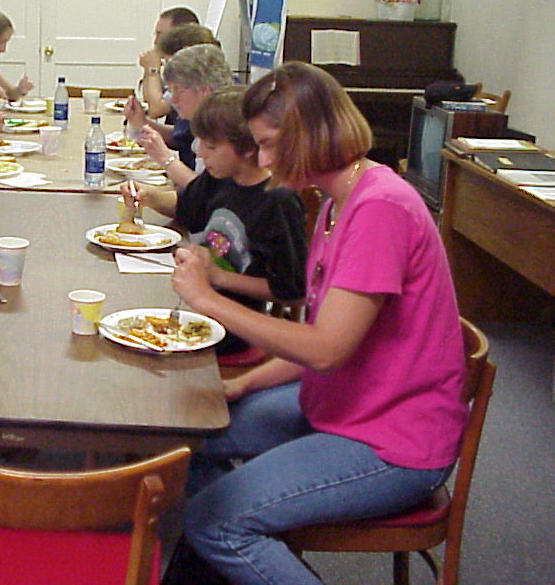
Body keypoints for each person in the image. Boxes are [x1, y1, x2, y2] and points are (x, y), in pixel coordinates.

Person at [167, 62, 466, 585]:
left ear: (309, 133)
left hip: (394, 440)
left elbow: (325, 349)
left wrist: (209, 299)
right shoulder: (336, 203)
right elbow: (320, 340)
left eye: (268, 145)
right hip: (342, 403)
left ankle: (230, 538)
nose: (262, 160)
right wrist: (246, 384)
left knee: (215, 523)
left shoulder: (381, 208)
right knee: (185, 442)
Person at [120, 88, 306, 357]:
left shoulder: (278, 201)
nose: (201, 154)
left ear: (248, 148)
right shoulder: (220, 177)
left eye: (211, 146)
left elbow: (294, 292)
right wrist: (148, 196)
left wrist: (218, 276)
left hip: (236, 328)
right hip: (195, 303)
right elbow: (185, 207)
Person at [124, 43, 232, 188]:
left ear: (204, 92)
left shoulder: (224, 128)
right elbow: (180, 136)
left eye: (178, 90)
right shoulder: (206, 118)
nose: (173, 100)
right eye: (171, 91)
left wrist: (164, 157)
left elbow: (205, 193)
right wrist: (141, 122)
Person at [137, 6, 200, 120]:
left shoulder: (193, 67)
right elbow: (149, 101)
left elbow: (156, 109)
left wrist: (152, 69)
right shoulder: (172, 64)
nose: (155, 41)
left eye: (160, 35)